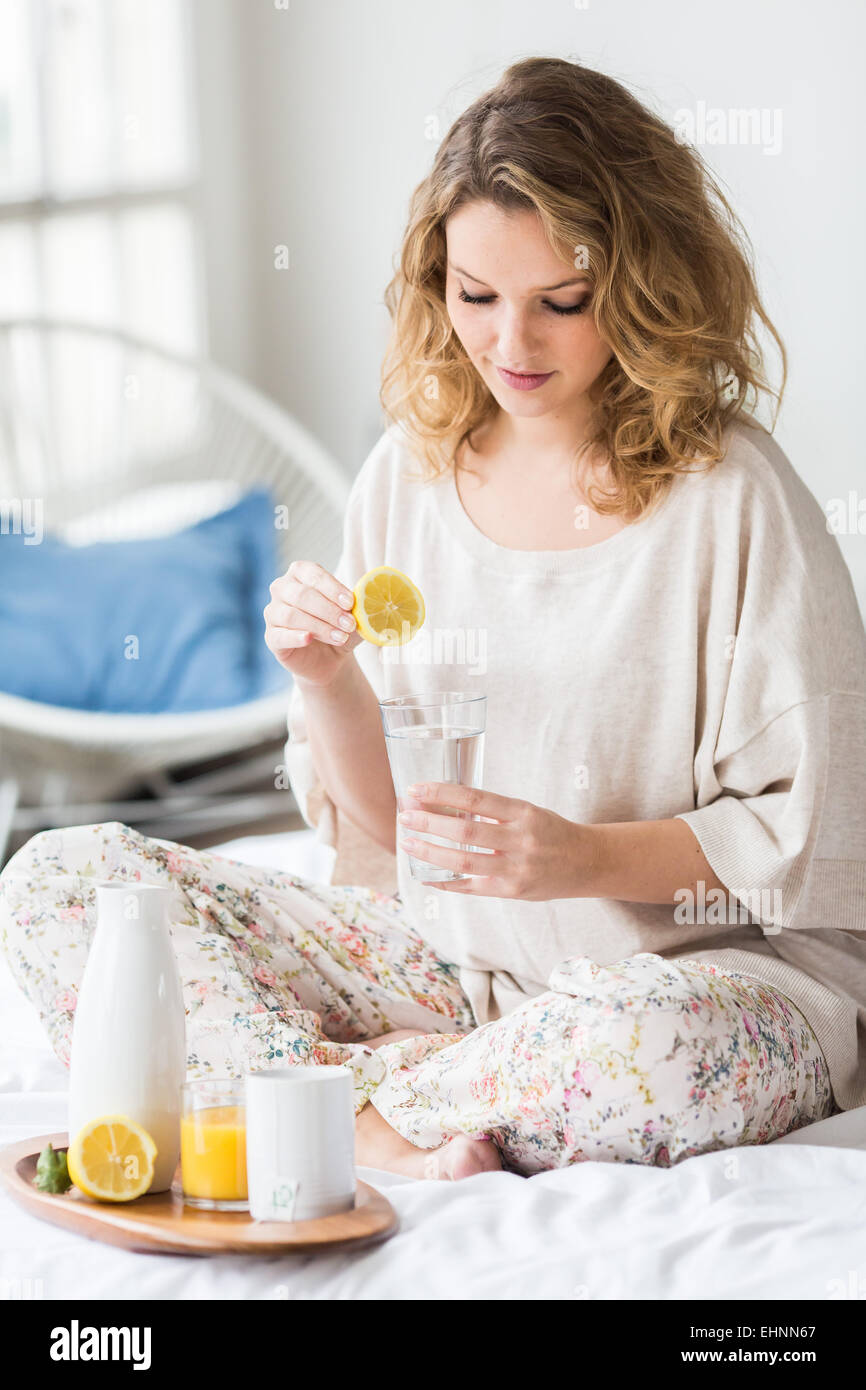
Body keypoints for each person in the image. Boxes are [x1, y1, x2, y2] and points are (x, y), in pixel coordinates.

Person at [2, 57, 864, 1182]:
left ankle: (308, 1102)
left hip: (712, 982)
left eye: (561, 301)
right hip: (459, 967)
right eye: (474, 297)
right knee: (61, 881)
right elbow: (388, 829)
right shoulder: (404, 479)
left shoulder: (734, 497)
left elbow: (807, 840)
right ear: (435, 282)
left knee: (643, 1050)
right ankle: (398, 1113)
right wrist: (324, 678)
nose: (513, 344)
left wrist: (577, 858)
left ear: (645, 283)